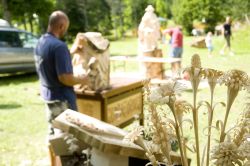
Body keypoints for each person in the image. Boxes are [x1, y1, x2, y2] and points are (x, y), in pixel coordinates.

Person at [34, 11, 88, 165]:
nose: (65, 31)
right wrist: (82, 79)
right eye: (65, 28)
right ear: (61, 26)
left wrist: (70, 53)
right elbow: (65, 78)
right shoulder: (59, 46)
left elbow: (51, 61)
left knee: (54, 137)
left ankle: (53, 163)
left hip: (49, 98)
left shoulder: (41, 42)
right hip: (62, 102)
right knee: (68, 143)